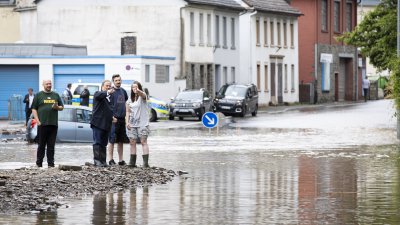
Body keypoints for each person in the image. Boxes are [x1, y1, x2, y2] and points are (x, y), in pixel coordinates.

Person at [31, 80, 64, 168]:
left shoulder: (55, 95)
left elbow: (62, 107)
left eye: (50, 84)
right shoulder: (38, 95)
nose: (49, 85)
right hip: (42, 124)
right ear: (43, 85)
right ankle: (39, 164)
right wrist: (38, 121)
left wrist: (57, 107)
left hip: (53, 124)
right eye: (47, 84)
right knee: (41, 145)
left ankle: (51, 164)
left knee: (51, 145)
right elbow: (34, 109)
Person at [90, 80, 115, 167]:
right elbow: (99, 95)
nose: (108, 87)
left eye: (109, 86)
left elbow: (109, 109)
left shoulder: (110, 97)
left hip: (107, 123)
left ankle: (103, 161)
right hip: (97, 122)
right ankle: (97, 161)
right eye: (107, 86)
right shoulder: (98, 93)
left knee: (104, 143)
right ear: (102, 86)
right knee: (97, 142)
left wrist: (112, 117)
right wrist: (107, 92)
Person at [126, 81, 151, 168]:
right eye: (133, 87)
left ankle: (145, 163)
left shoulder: (142, 97)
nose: (134, 89)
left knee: (143, 141)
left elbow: (143, 95)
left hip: (143, 124)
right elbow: (127, 111)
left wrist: (138, 91)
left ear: (139, 87)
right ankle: (132, 162)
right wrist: (127, 122)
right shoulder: (129, 99)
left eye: (136, 87)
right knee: (132, 142)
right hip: (132, 124)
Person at [108, 74, 129, 166]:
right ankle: (111, 160)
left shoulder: (123, 91)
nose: (118, 82)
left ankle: (121, 160)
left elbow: (126, 103)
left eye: (119, 80)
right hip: (113, 119)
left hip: (122, 119)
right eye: (116, 80)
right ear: (113, 81)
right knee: (112, 140)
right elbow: (107, 105)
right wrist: (111, 117)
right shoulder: (111, 92)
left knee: (121, 141)